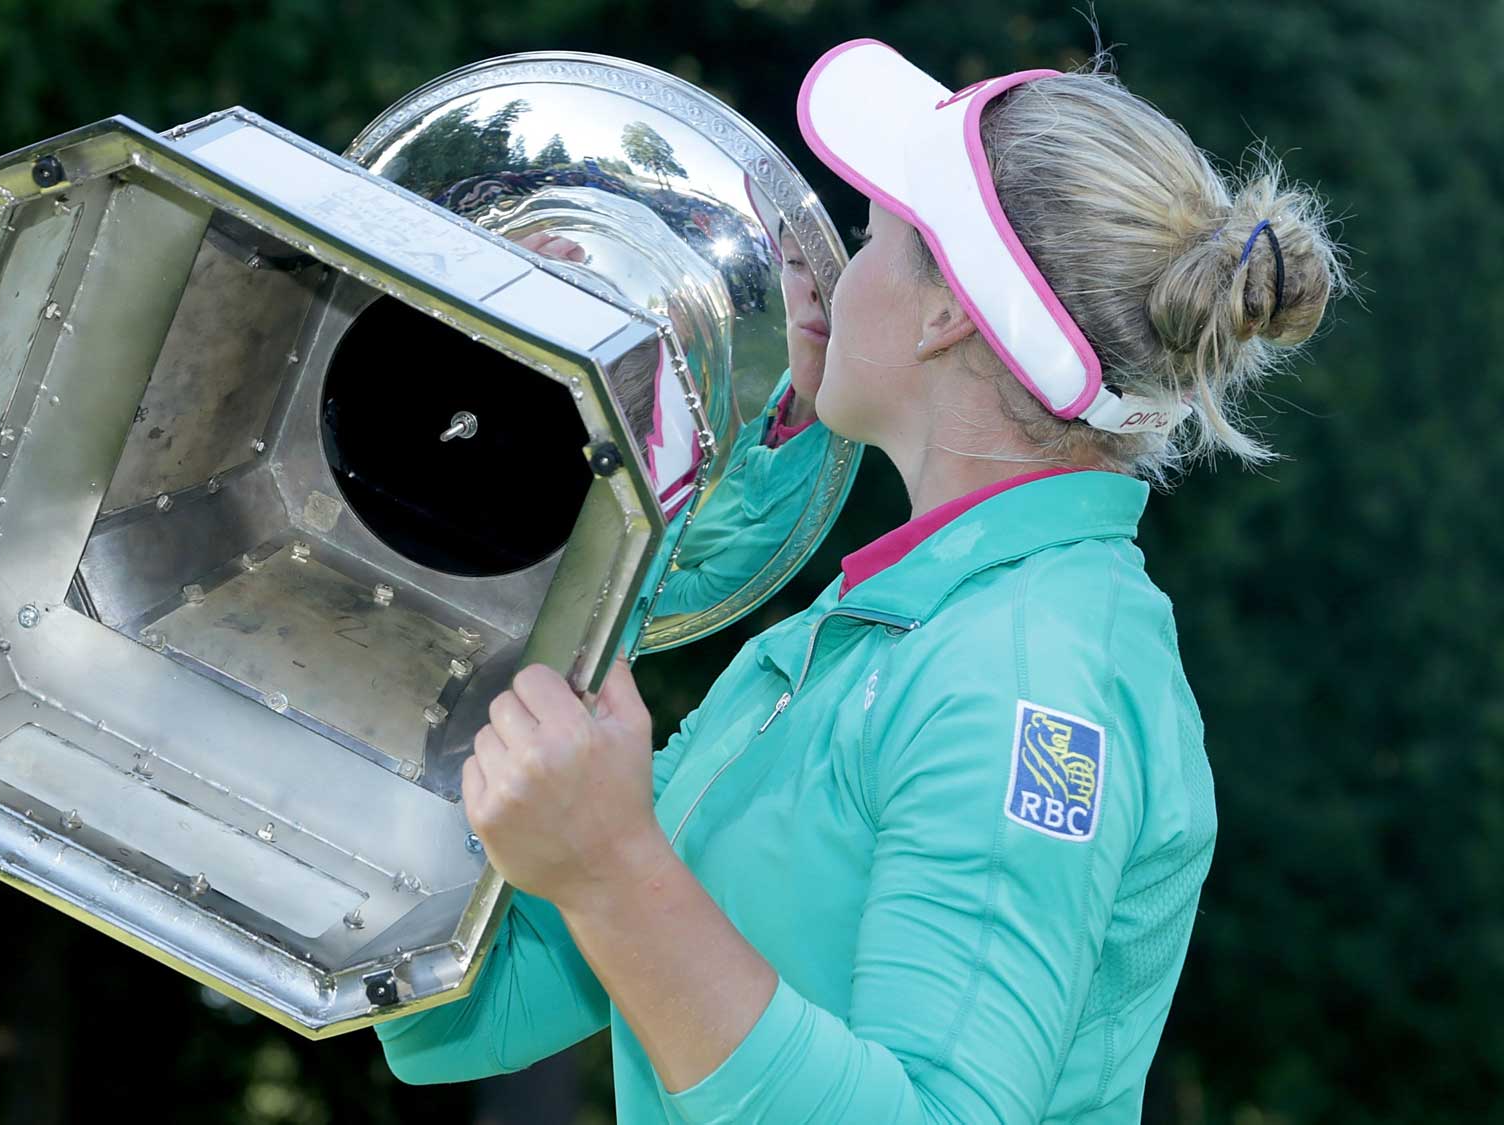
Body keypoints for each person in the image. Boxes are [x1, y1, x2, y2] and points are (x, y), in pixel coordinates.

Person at [378, 38, 1344, 1122]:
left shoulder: (1028, 681)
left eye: (875, 235)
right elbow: (462, 1006)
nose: (838, 270)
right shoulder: (869, 635)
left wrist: (611, 868)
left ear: (944, 316)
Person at [650, 227, 837, 618]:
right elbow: (741, 449)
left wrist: (633, 581)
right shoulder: (793, 383)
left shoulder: (819, 479)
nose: (817, 288)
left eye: (835, 269)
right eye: (797, 262)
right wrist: (694, 346)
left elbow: (703, 591)